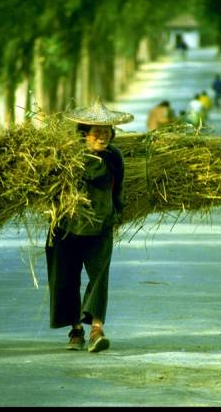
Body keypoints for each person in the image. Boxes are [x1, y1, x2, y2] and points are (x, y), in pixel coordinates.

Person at [46, 98, 133, 353]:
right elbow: (50, 188)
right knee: (66, 277)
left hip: (101, 225)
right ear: (84, 134)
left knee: (99, 277)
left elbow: (119, 190)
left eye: (106, 132)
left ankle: (97, 328)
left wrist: (118, 213)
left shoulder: (114, 157)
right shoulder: (67, 155)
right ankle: (76, 329)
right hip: (66, 226)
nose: (102, 137)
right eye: (97, 133)